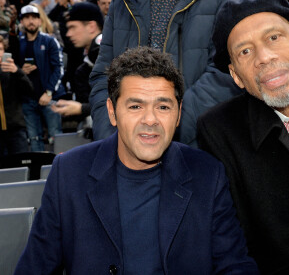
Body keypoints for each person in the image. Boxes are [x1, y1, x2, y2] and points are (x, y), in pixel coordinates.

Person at [14, 46, 258, 274]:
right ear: (112, 112)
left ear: (178, 114)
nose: (150, 119)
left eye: (163, 107)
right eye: (135, 107)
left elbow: (235, 265)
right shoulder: (69, 173)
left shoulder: (207, 173)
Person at [197, 0, 289, 274]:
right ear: (236, 76)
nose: (264, 57)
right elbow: (237, 243)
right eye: (245, 51)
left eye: (274, 38)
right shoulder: (221, 130)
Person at [89, 0, 244, 147]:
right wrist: (112, 139)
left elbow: (226, 72)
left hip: (194, 149)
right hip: (127, 152)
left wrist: (167, 125)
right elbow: (103, 77)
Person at [19, 4, 65, 151]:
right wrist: (21, 71)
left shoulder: (50, 41)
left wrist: (49, 92)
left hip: (49, 97)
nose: (30, 21)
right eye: (26, 18)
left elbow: (59, 67)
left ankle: (61, 172)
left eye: (34, 17)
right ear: (22, 22)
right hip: (27, 100)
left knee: (55, 136)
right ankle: (37, 173)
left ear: (40, 21)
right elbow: (13, 72)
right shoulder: (17, 44)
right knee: (33, 139)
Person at [51, 2, 103, 124]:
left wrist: (81, 109)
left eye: (73, 27)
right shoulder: (90, 58)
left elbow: (120, 103)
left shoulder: (106, 54)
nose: (68, 34)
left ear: (91, 26)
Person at [0, 35, 33, 156]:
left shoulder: (12, 70)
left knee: (21, 164)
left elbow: (29, 90)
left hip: (16, 128)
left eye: (0, 49)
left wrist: (17, 72)